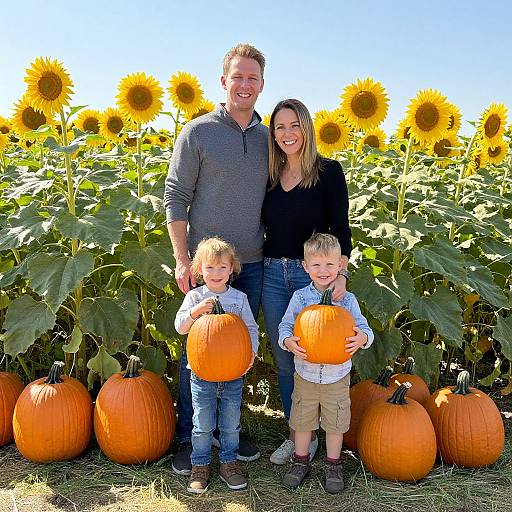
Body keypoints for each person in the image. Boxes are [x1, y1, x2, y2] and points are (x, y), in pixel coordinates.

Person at [164, 43, 268, 475]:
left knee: (237, 346)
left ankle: (229, 432)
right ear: (223, 81)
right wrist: (182, 258)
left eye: (252, 78)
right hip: (208, 268)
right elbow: (175, 196)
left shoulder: (270, 138)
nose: (244, 85)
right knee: (199, 352)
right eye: (237, 77)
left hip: (254, 263)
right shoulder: (198, 132)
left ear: (262, 85)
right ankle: (192, 437)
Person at [261, 99, 352, 464]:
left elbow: (341, 229)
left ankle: (326, 431)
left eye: (294, 125)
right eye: (280, 127)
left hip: (312, 276)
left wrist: (340, 273)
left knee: (322, 353)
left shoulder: (328, 172)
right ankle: (298, 434)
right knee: (288, 355)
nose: (288, 133)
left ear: (307, 128)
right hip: (271, 273)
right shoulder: (269, 174)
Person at [278, 233, 374, 493]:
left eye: (330, 265)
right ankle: (300, 461)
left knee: (335, 423)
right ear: (306, 267)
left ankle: (334, 464)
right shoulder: (300, 298)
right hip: (306, 374)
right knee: (302, 421)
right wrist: (287, 340)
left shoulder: (348, 300)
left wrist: (362, 337)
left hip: (336, 377)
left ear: (340, 266)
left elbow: (365, 328)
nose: (324, 271)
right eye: (317, 265)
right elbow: (285, 325)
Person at [174, 237, 259, 494]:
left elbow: (251, 329)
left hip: (233, 372)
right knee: (202, 421)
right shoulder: (195, 297)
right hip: (201, 373)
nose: (216, 273)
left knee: (231, 421)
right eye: (210, 267)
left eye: (223, 267)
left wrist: (250, 354)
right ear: (199, 269)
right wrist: (196, 311)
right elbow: (180, 327)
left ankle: (229, 463)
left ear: (232, 269)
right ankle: (199, 465)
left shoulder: (239, 299)